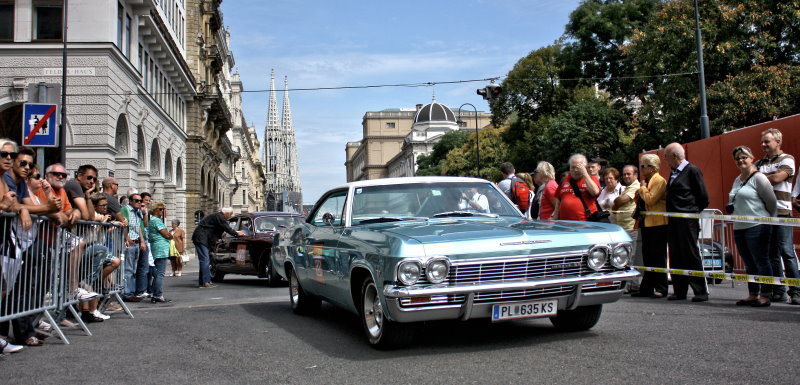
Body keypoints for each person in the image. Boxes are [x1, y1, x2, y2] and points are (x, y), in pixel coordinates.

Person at [728, 146, 777, 307]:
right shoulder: (737, 179)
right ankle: (753, 293)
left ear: (751, 158)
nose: (740, 160)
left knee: (761, 260)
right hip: (740, 226)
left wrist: (770, 221)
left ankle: (765, 295)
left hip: (758, 225)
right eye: (737, 159)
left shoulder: (759, 178)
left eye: (744, 157)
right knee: (749, 262)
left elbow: (771, 202)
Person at [757, 128, 800, 304]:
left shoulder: (788, 159)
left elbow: (777, 178)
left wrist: (759, 177)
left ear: (778, 142)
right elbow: (754, 180)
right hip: (764, 214)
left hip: (782, 212)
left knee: (786, 252)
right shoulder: (760, 162)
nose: (763, 145)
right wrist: (762, 176)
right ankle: (779, 290)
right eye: (762, 142)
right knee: (771, 254)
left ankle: (796, 291)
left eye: (767, 141)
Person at [664, 142, 709, 302]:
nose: (665, 160)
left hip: (687, 219)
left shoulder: (692, 170)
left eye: (666, 157)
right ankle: (679, 290)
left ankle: (700, 290)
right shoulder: (674, 172)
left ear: (674, 156)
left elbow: (703, 197)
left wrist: (691, 211)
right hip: (674, 219)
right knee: (675, 254)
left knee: (690, 253)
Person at [632, 155, 669, 298]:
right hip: (647, 222)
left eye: (643, 166)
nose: (641, 168)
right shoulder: (647, 181)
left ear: (652, 168)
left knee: (658, 257)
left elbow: (651, 199)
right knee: (648, 257)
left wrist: (641, 188)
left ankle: (661, 287)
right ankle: (646, 288)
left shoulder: (659, 181)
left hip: (658, 223)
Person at [192, 207, 244, 288]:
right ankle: (205, 282)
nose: (230, 216)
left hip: (203, 238)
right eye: (230, 214)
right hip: (201, 238)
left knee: (206, 260)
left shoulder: (217, 216)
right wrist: (237, 234)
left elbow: (218, 230)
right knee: (205, 260)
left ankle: (204, 281)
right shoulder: (219, 217)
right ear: (226, 213)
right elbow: (227, 228)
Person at [613, 165, 642, 292]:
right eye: (624, 174)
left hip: (631, 226)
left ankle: (632, 285)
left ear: (635, 175)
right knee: (626, 256)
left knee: (631, 256)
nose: (626, 176)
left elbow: (622, 200)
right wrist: (617, 201)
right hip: (623, 227)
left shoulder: (635, 186)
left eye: (628, 174)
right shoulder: (627, 188)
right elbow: (618, 202)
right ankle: (628, 284)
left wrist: (617, 201)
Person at [552, 154, 601, 221]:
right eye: (572, 167)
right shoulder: (565, 180)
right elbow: (558, 201)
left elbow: (595, 192)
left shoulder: (591, 179)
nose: (575, 170)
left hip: (585, 223)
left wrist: (585, 174)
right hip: (565, 224)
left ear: (584, 167)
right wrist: (555, 219)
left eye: (578, 167)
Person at [121, 193, 147, 302]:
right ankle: (127, 293)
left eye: (140, 201)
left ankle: (132, 291)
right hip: (130, 243)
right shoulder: (125, 210)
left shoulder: (138, 212)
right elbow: (123, 225)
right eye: (136, 201)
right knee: (128, 269)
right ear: (130, 201)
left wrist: (142, 241)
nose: (139, 203)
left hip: (136, 242)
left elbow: (141, 227)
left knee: (133, 269)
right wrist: (126, 238)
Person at [147, 202, 172, 303]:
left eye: (163, 209)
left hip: (157, 248)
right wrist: (171, 236)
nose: (162, 211)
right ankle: (158, 295)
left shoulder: (152, 220)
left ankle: (154, 293)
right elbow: (166, 234)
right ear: (155, 210)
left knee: (158, 273)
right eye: (160, 209)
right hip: (161, 248)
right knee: (160, 273)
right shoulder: (156, 221)